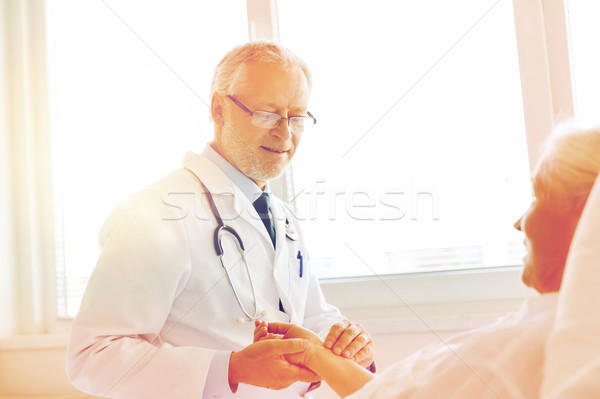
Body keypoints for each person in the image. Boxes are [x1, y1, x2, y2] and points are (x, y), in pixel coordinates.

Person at [66, 41, 374, 399]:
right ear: (219, 110)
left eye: (298, 117)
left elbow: (309, 317)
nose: (286, 134)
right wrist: (232, 368)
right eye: (267, 114)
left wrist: (345, 341)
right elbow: (92, 357)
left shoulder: (283, 218)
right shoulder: (156, 212)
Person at [253, 125, 600, 398]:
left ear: (582, 219)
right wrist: (315, 355)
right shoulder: (565, 330)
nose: (520, 222)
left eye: (537, 197)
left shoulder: (522, 349)